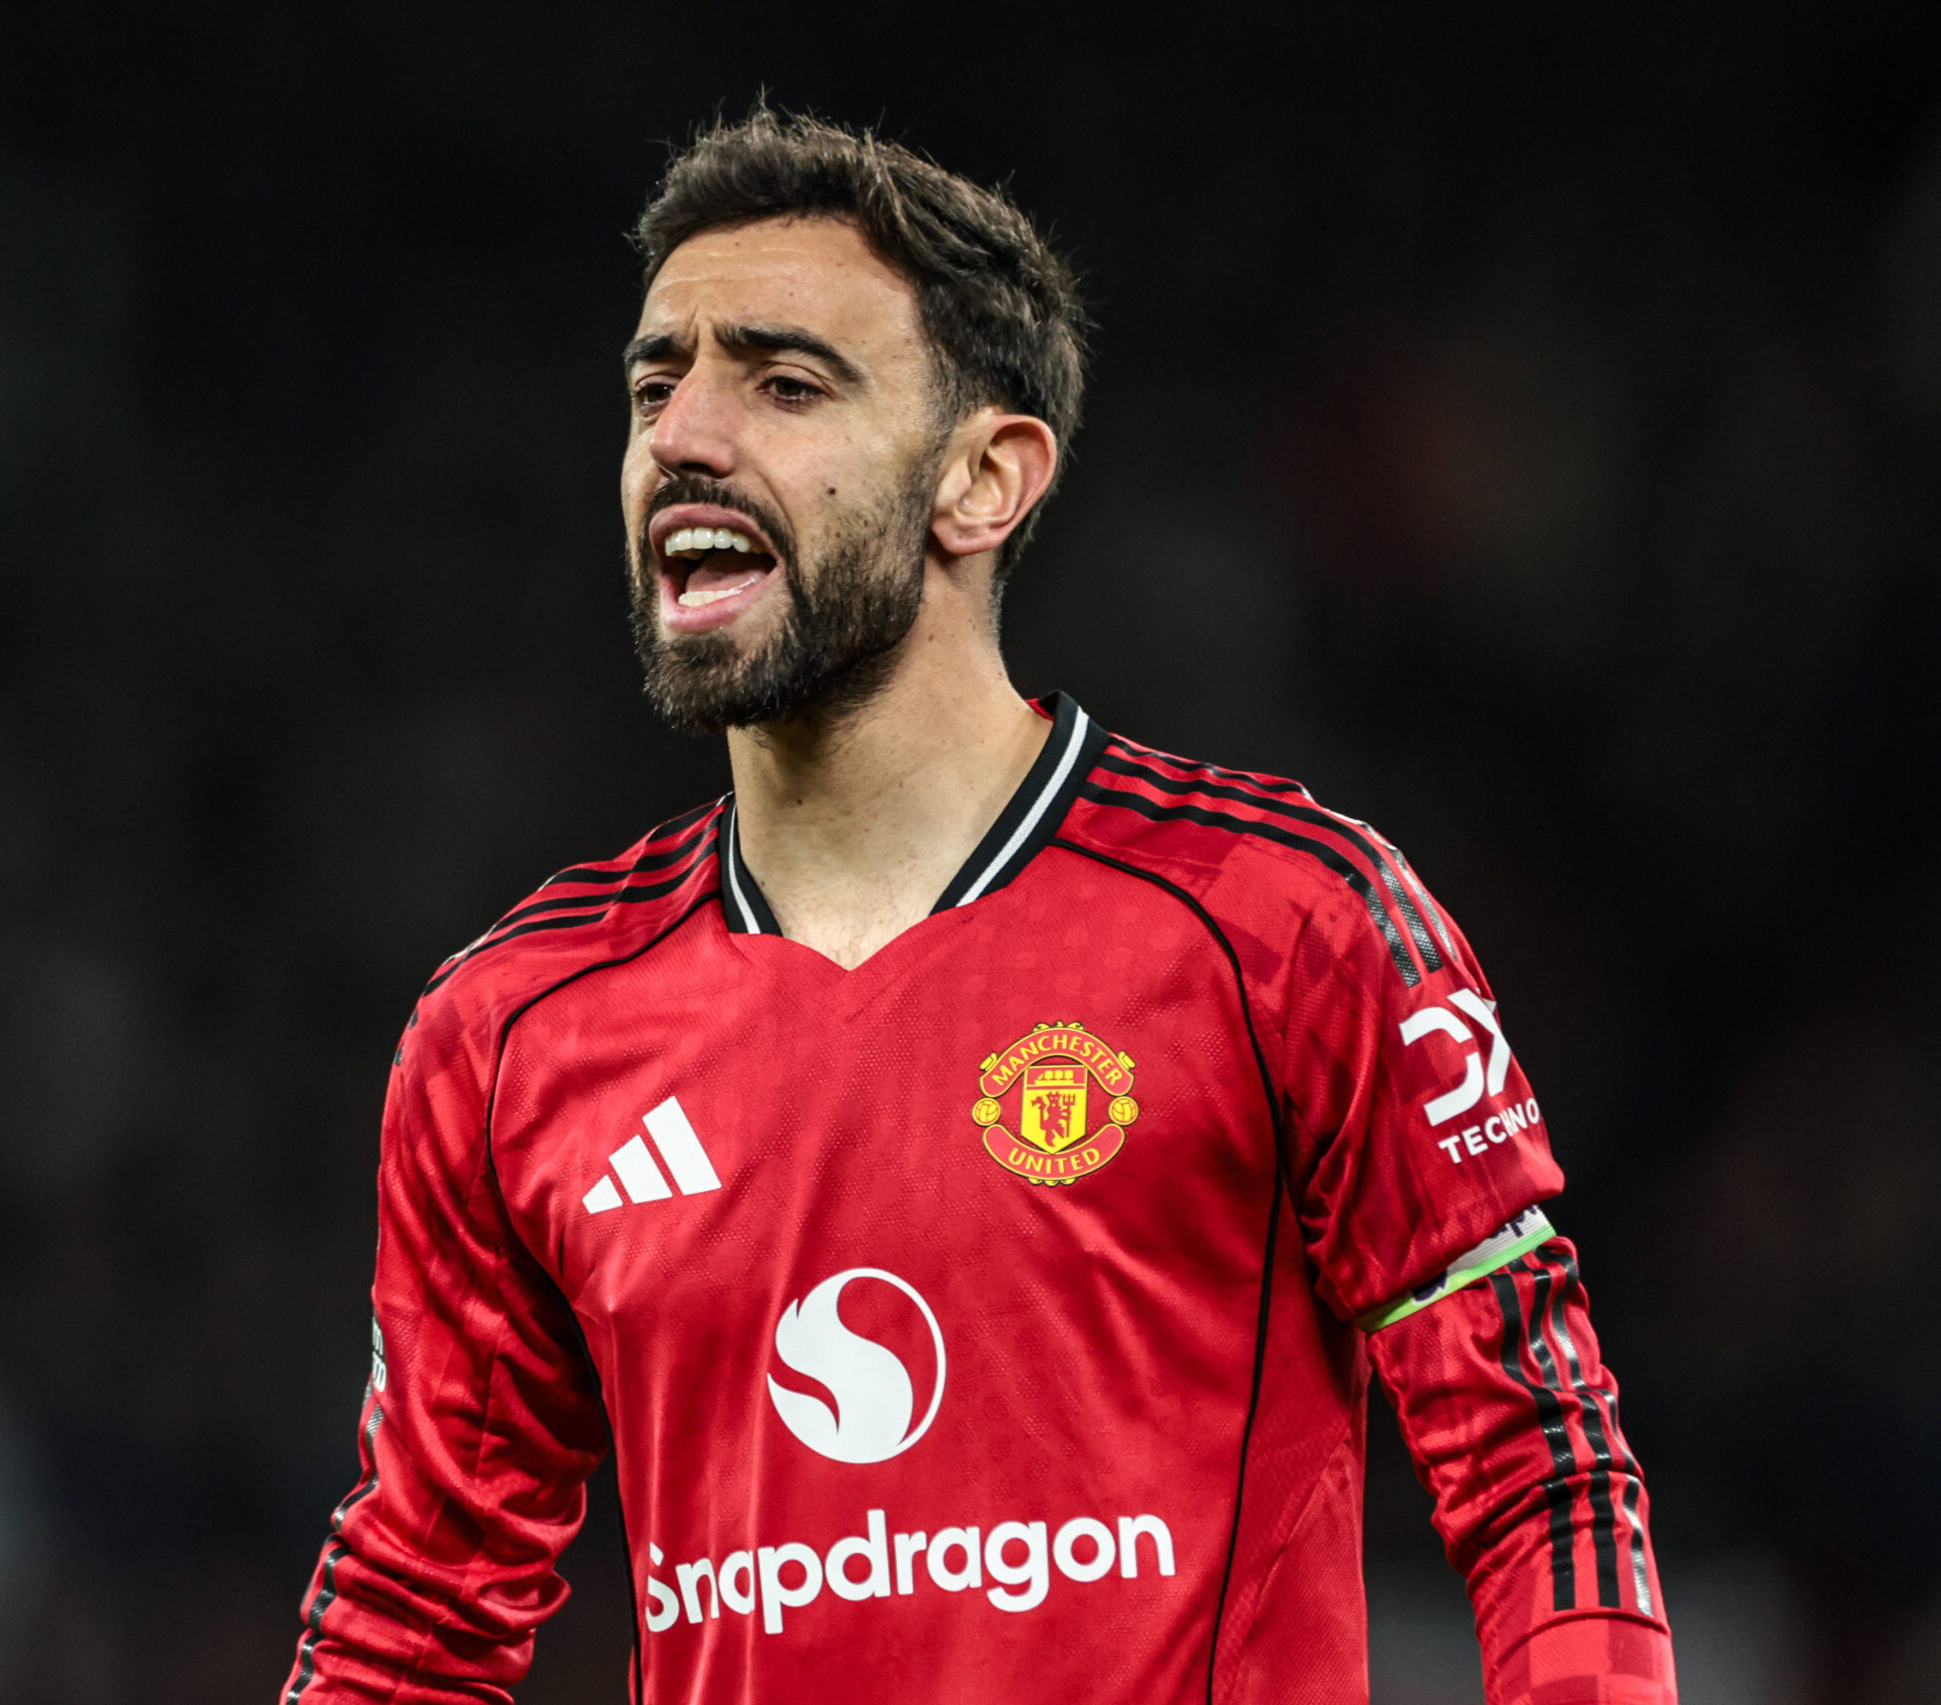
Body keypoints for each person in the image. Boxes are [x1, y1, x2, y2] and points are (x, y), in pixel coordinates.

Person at [280, 108, 1676, 1705]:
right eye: (656, 383)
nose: (686, 434)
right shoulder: (513, 1031)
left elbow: (1539, 1465)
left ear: (985, 479)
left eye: (785, 383)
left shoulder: (1288, 923)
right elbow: (416, 1611)